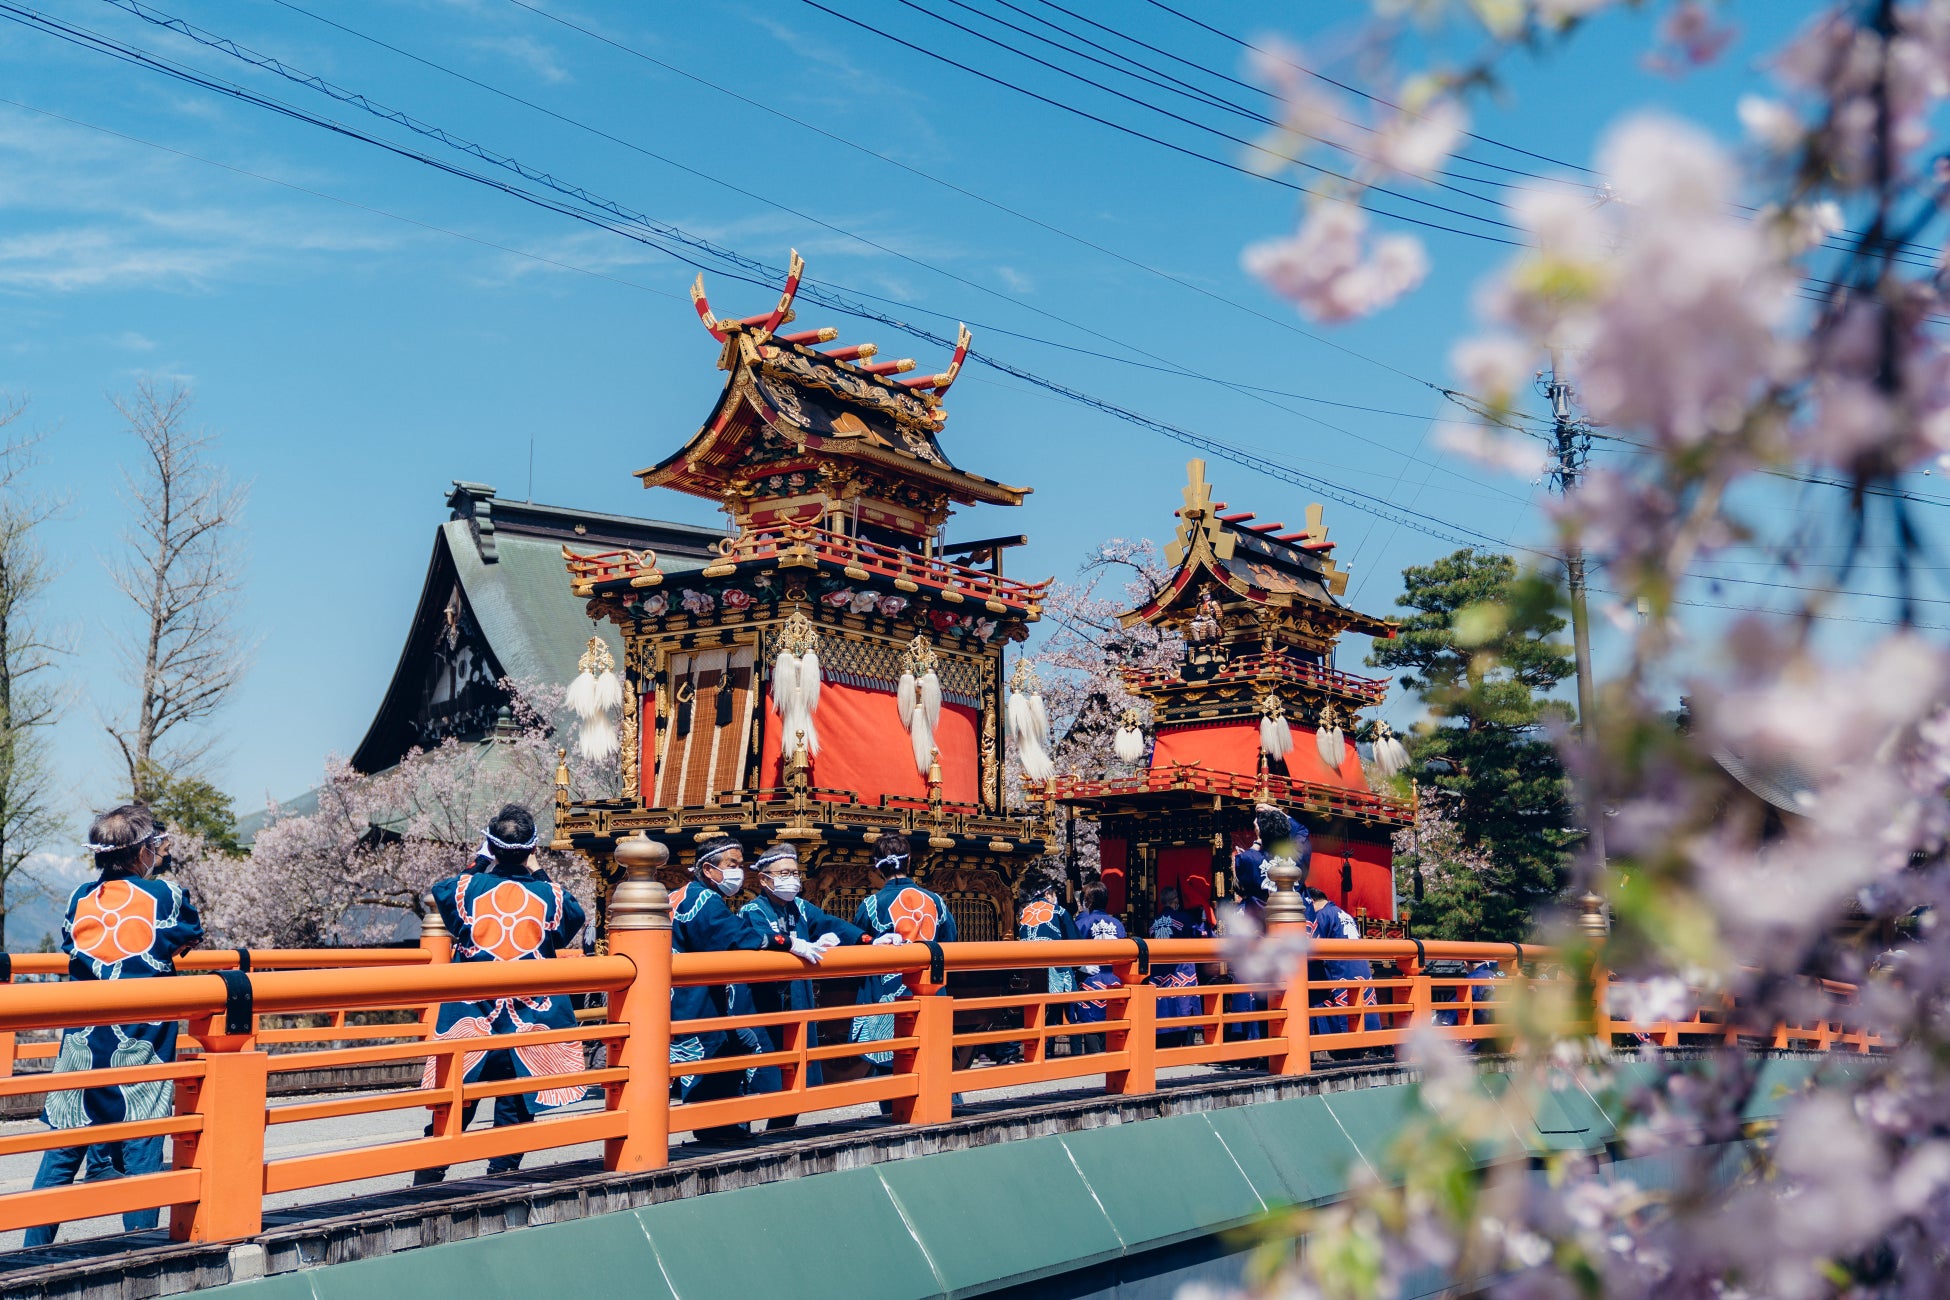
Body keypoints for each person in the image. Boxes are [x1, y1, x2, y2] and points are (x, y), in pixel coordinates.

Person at [27, 805, 203, 1247]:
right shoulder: (166, 896)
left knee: (63, 1148)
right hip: (140, 1040)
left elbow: (72, 945)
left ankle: (32, 1250)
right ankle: (141, 1253)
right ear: (143, 850)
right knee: (142, 1143)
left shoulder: (79, 898)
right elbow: (189, 935)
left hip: (83, 1041)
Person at [415, 804, 588, 1184]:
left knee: (456, 1100)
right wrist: (538, 869)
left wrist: (478, 862)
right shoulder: (551, 896)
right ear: (531, 849)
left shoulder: (465, 889)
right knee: (513, 1103)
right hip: (526, 1020)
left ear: (491, 848)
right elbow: (574, 917)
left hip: (471, 1016)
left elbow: (441, 892)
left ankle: (428, 1175)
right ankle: (502, 1175)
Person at [669, 835, 816, 1145]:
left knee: (727, 1051)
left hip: (676, 997)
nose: (738, 871)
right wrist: (786, 942)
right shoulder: (705, 900)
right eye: (731, 865)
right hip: (695, 1000)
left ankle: (718, 1126)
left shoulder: (678, 896)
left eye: (740, 864)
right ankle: (722, 1129)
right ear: (709, 870)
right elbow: (735, 936)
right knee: (721, 1054)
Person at [738, 842, 872, 1130]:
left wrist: (867, 940)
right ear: (764, 878)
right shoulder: (753, 910)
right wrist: (794, 945)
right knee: (763, 1072)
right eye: (784, 872)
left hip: (798, 1000)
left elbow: (831, 924)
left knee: (798, 1073)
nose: (792, 879)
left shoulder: (801, 907)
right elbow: (759, 939)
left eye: (795, 873)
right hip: (764, 1003)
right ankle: (745, 1131)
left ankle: (781, 1129)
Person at [850, 832, 953, 1086]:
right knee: (934, 1069)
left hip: (888, 998)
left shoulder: (871, 904)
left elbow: (858, 947)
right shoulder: (936, 902)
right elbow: (950, 944)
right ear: (909, 862)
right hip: (931, 996)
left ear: (877, 866)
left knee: (890, 1067)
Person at [1015, 870, 1082, 1055]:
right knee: (1071, 1010)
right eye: (1054, 894)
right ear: (1047, 894)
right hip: (1057, 970)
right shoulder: (1059, 911)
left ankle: (1045, 1051)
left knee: (1046, 1013)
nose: (1056, 898)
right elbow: (1076, 944)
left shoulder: (1023, 914)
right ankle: (1077, 1053)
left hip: (1031, 971)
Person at [1306, 886, 1380, 1051]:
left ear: (1310, 902)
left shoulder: (1322, 915)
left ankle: (1343, 1047)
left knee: (1335, 1007)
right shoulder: (1343, 914)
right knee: (1361, 1007)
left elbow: (1312, 948)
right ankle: (1366, 1045)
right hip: (1358, 969)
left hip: (1340, 971)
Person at [1147, 885, 1210, 1048]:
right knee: (1183, 1006)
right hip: (1180, 971)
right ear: (1175, 902)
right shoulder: (1184, 919)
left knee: (1163, 1007)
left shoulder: (1153, 923)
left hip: (1159, 972)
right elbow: (1200, 935)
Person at [1071, 881, 1127, 1055]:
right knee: (1111, 1026)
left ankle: (1094, 1064)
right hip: (1114, 980)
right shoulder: (1117, 924)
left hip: (1090, 979)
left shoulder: (1082, 923)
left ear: (1088, 901)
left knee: (1090, 1024)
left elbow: (1072, 951)